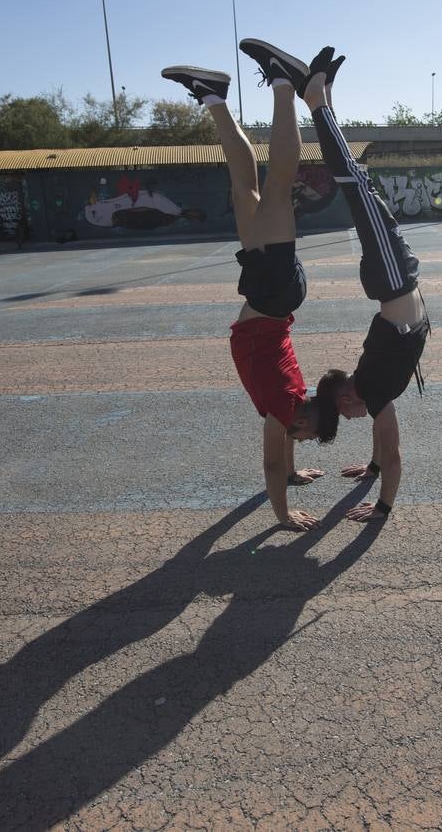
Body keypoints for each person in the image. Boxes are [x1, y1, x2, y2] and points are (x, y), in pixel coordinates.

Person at [161, 38, 326, 532]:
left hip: (269, 293)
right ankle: (284, 83)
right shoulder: (284, 407)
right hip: (272, 292)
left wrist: (293, 474)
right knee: (278, 184)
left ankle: (213, 95)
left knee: (244, 188)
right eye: (306, 435)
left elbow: (285, 454)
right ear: (303, 418)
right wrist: (282, 515)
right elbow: (271, 463)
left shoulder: (293, 404)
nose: (297, 439)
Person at [306, 46, 428, 524]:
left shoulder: (372, 390)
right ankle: (325, 96)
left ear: (346, 400)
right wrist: (372, 468)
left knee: (354, 183)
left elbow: (394, 454)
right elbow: (383, 441)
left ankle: (317, 100)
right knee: (358, 185)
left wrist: (382, 507)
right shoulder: (371, 389)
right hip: (396, 278)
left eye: (345, 416)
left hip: (394, 278)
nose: (353, 420)